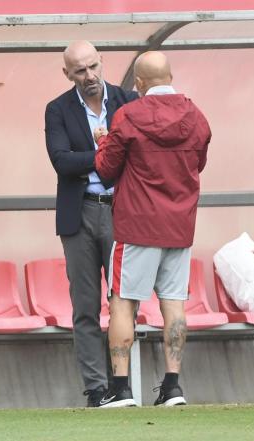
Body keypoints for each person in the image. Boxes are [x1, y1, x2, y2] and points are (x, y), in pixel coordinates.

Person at [93, 51, 211, 407]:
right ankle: (173, 387)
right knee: (174, 305)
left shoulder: (127, 116)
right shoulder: (197, 116)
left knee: (122, 304)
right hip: (179, 226)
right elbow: (198, 163)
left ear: (139, 83)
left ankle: (121, 388)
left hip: (137, 226)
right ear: (171, 76)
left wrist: (102, 141)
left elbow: (106, 169)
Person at [44, 40, 138, 407]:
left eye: (93, 67)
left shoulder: (128, 101)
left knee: (123, 303)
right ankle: (96, 390)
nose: (90, 76)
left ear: (103, 63)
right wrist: (106, 151)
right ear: (68, 74)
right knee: (85, 306)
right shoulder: (58, 110)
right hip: (79, 213)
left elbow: (142, 153)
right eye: (80, 71)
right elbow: (61, 161)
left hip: (121, 211)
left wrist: (96, 153)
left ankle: (121, 385)